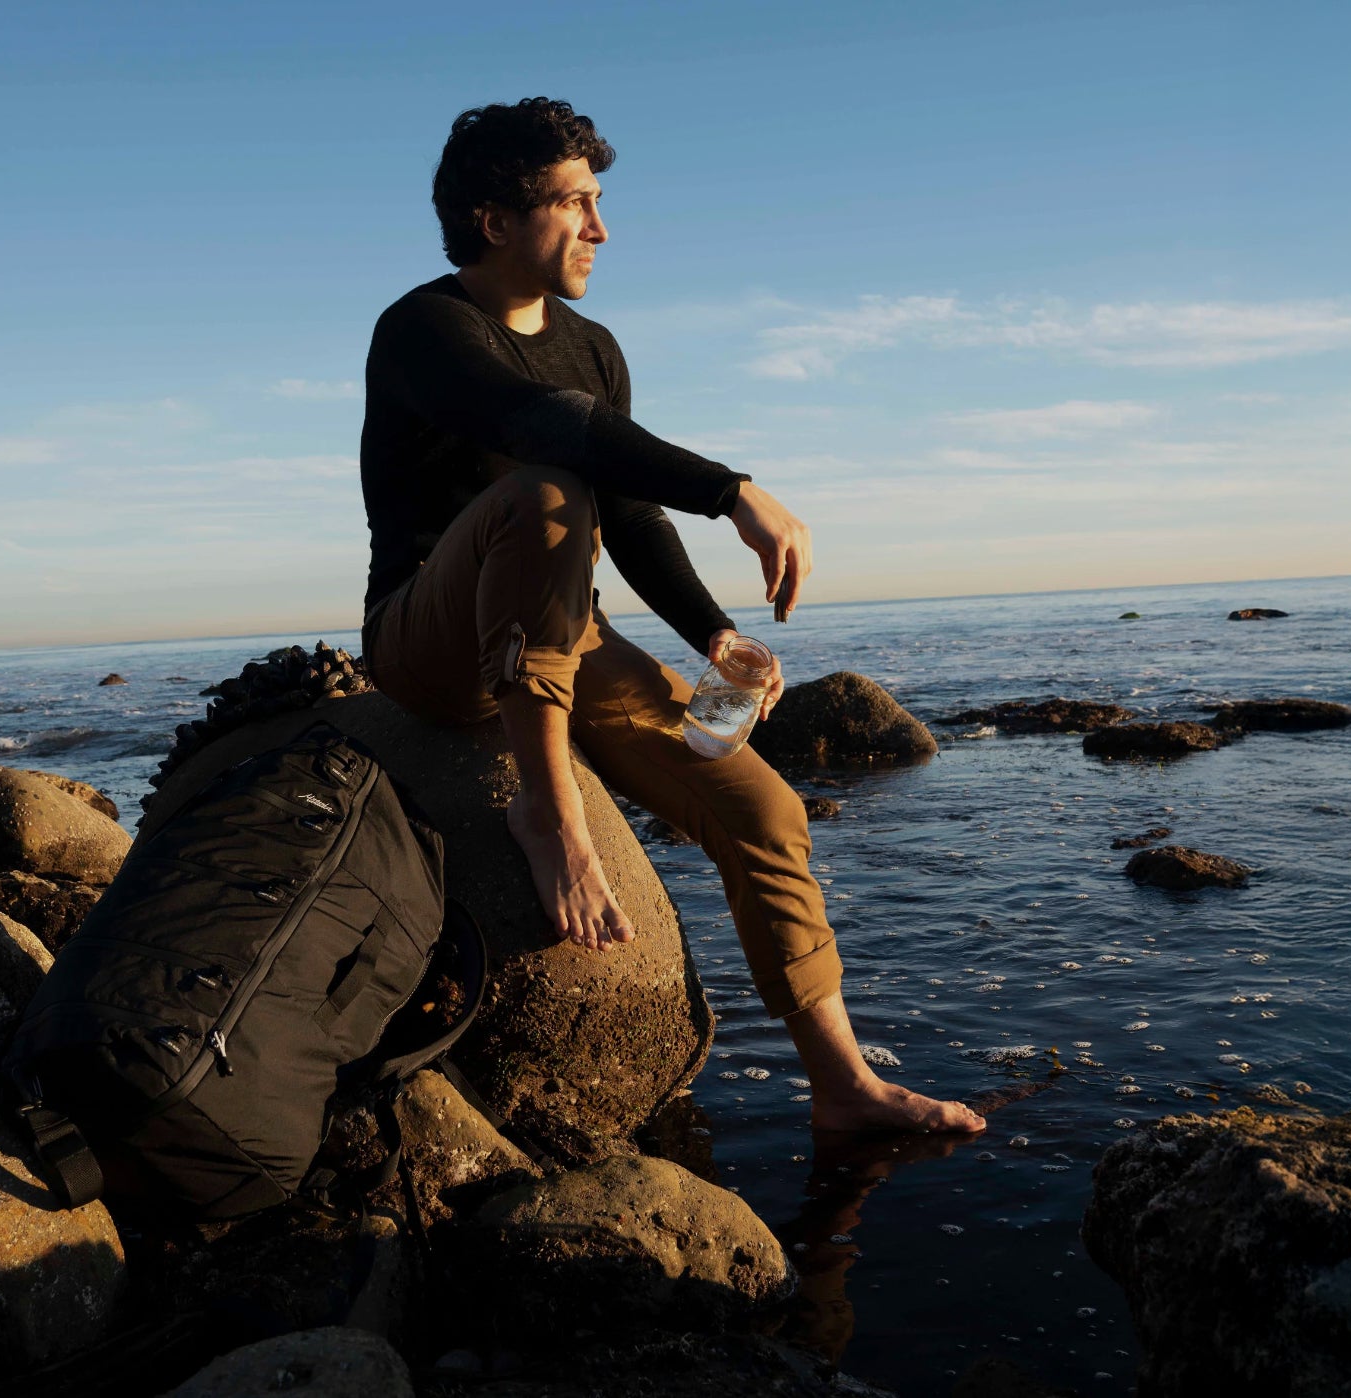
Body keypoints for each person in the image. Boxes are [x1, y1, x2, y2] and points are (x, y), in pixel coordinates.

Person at [359, 98, 983, 1133]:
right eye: (576, 204)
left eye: (599, 202)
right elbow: (542, 425)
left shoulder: (594, 347)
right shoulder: (425, 329)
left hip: (565, 636)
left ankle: (845, 1087)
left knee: (767, 813)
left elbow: (632, 511)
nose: (601, 229)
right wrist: (735, 492)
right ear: (494, 220)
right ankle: (548, 812)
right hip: (427, 638)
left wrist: (713, 634)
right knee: (543, 491)